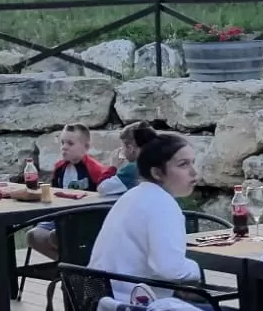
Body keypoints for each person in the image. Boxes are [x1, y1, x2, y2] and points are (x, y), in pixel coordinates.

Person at [87, 126, 203, 299]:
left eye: (193, 162)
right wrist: (197, 269)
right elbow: (168, 269)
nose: (194, 171)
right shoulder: (162, 205)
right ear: (156, 172)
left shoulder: (133, 196)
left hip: (103, 305)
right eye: (183, 164)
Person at [29, 124, 115, 259]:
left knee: (56, 236)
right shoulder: (59, 169)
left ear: (86, 147)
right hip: (61, 216)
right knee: (33, 235)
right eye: (62, 142)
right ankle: (64, 265)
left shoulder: (95, 170)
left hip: (85, 220)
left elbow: (105, 196)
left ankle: (73, 267)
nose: (64, 147)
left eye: (70, 143)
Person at [96, 122, 150, 198]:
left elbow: (102, 188)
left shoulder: (133, 168)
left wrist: (113, 167)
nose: (122, 150)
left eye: (123, 147)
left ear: (130, 148)